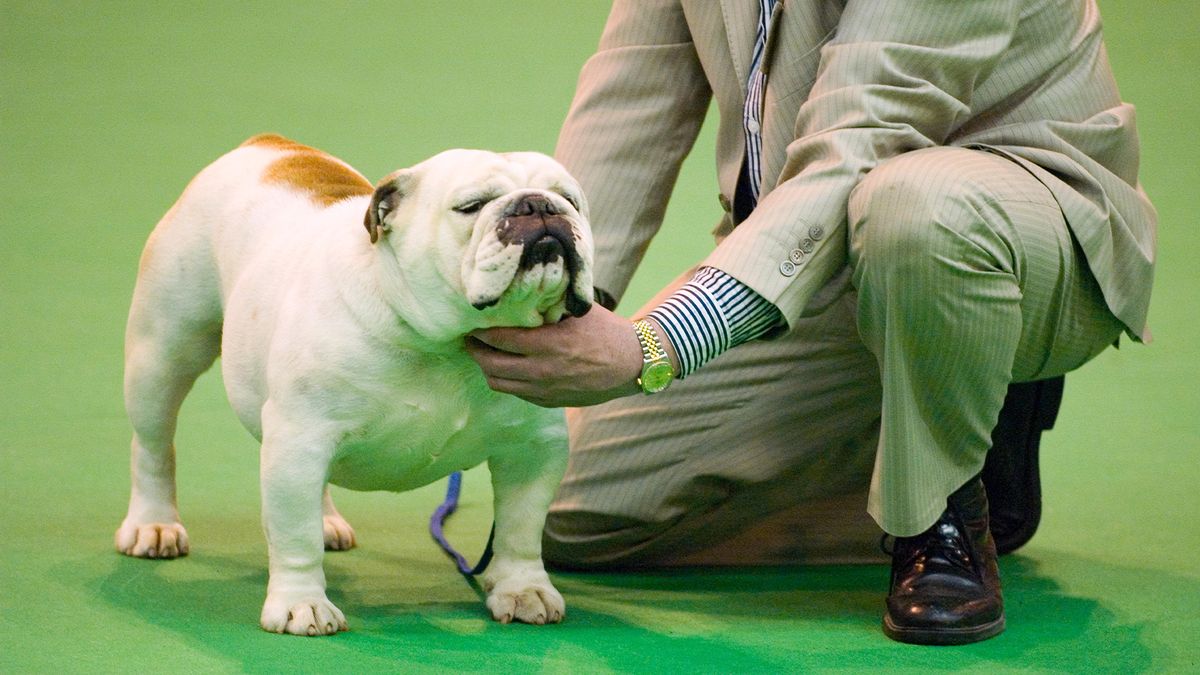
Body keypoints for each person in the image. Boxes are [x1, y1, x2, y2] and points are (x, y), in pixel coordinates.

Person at [465, 0, 1155, 645]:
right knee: (570, 516)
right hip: (819, 257)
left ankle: (941, 502)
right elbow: (630, 105)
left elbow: (860, 138)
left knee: (916, 205)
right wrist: (547, 308)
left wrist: (650, 345)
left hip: (1016, 238)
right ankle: (938, 428)